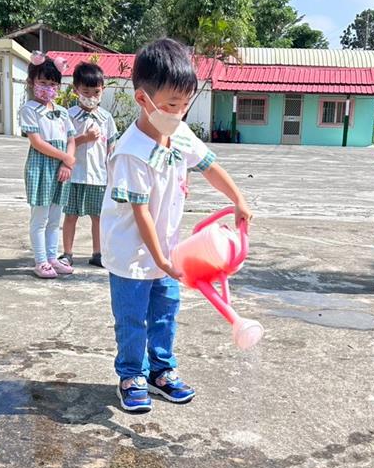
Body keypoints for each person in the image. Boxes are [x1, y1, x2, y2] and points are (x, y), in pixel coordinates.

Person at [100, 38, 253, 414]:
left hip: (169, 250)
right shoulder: (130, 152)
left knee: (166, 312)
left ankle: (161, 371)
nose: (179, 112)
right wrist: (161, 260)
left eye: (185, 104)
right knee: (132, 318)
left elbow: (210, 167)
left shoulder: (179, 133)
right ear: (142, 99)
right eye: (171, 104)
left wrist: (238, 199)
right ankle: (131, 375)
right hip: (132, 255)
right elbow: (141, 213)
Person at [18, 53, 76, 279]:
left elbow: (71, 139)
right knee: (40, 218)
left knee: (54, 219)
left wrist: (67, 163)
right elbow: (37, 142)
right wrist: (66, 157)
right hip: (40, 168)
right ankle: (41, 261)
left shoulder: (62, 112)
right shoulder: (29, 110)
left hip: (62, 170)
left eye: (52, 84)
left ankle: (52, 258)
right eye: (43, 82)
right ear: (32, 82)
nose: (48, 88)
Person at [60, 61, 117, 269]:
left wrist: (113, 172)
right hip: (74, 175)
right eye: (86, 92)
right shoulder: (68, 116)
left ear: (103, 90)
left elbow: (112, 146)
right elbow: (64, 144)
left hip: (98, 176)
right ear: (76, 89)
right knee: (70, 216)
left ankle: (98, 253)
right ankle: (67, 253)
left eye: (96, 92)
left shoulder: (106, 118)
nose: (91, 96)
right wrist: (84, 138)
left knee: (98, 217)